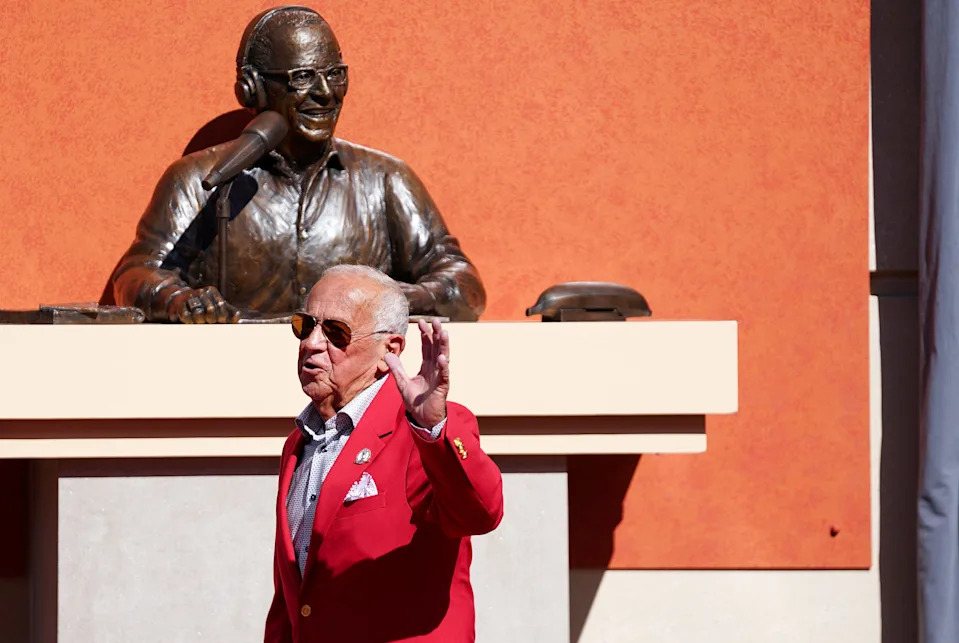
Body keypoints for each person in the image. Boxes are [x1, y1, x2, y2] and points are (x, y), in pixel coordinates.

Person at [111, 5, 486, 323]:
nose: (325, 93)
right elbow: (135, 276)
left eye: (336, 74)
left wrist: (401, 299)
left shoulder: (386, 180)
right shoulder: (198, 180)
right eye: (303, 77)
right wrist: (179, 300)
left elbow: (465, 286)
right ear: (251, 88)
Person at [266, 264, 503, 643]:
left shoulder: (424, 432)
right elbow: (293, 596)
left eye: (334, 332)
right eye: (305, 325)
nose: (311, 343)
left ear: (388, 350)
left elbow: (480, 512)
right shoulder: (299, 443)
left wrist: (432, 429)